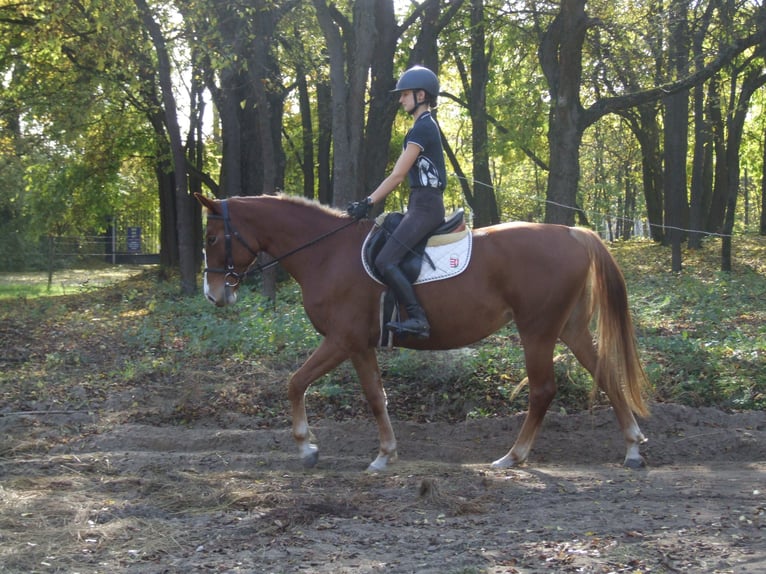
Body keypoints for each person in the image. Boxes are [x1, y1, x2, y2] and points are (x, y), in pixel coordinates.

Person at [348, 65, 447, 339]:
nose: (400, 99)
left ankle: (417, 318)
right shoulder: (422, 127)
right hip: (420, 204)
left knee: (386, 259)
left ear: (421, 95)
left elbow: (398, 175)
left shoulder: (423, 129)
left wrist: (367, 202)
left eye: (404, 94)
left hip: (426, 208)